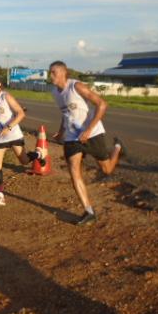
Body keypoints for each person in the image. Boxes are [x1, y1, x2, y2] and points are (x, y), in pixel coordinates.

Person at [49, 61, 126, 225]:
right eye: (50, 73)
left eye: (54, 72)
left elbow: (102, 104)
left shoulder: (76, 86)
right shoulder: (55, 92)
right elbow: (66, 113)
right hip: (72, 137)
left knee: (107, 170)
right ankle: (88, 211)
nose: (51, 76)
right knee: (74, 171)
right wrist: (61, 131)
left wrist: (89, 130)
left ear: (64, 73)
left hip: (92, 134)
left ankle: (117, 147)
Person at [0, 74, 45, 206]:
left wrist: (9, 127)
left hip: (13, 135)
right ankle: (0, 195)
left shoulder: (5, 96)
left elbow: (21, 113)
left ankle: (38, 154)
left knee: (24, 161)